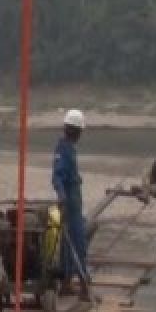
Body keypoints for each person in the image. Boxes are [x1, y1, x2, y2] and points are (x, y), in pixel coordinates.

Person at [52, 108, 89, 300]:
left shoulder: (68, 149)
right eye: (79, 131)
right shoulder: (63, 150)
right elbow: (58, 176)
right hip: (70, 204)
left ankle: (66, 284)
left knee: (68, 245)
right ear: (75, 131)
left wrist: (76, 179)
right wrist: (62, 197)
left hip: (74, 201)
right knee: (78, 243)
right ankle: (84, 287)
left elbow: (67, 175)